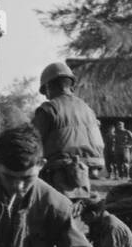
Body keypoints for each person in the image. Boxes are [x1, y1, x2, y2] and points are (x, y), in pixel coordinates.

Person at [32, 61, 104, 199]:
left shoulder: (49, 109)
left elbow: (31, 142)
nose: (46, 96)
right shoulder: (87, 109)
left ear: (49, 86)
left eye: (45, 91)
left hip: (58, 174)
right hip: (84, 173)